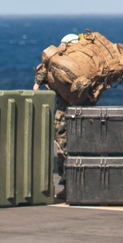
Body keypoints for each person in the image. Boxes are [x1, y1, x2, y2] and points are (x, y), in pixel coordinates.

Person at [33, 33, 80, 185]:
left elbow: (42, 73)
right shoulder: (85, 62)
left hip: (65, 111)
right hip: (86, 111)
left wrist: (36, 86)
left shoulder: (59, 61)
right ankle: (79, 182)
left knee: (62, 147)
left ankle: (66, 181)